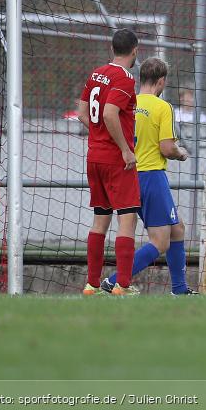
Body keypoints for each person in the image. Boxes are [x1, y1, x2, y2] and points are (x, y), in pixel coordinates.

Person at [101, 57, 195, 295]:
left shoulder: (128, 103)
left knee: (177, 229)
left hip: (127, 176)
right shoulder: (162, 107)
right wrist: (180, 153)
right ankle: (114, 281)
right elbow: (166, 148)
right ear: (161, 81)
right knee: (160, 241)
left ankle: (180, 289)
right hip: (151, 177)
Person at [77, 29, 141, 296]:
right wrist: (125, 150)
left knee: (100, 220)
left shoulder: (96, 73)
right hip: (117, 160)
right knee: (127, 219)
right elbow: (110, 113)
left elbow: (82, 113)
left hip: (94, 157)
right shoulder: (125, 78)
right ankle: (122, 285)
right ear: (135, 51)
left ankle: (91, 285)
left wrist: (100, 136)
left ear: (112, 48)